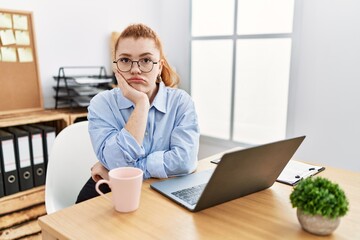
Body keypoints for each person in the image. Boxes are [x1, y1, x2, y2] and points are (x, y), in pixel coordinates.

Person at [76, 23, 200, 203]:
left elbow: (185, 161)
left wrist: (125, 170)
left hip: (157, 191)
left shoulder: (181, 102)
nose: (135, 69)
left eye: (146, 60)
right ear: (116, 66)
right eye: (125, 60)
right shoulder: (101, 104)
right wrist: (141, 104)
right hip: (107, 190)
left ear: (159, 67)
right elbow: (116, 162)